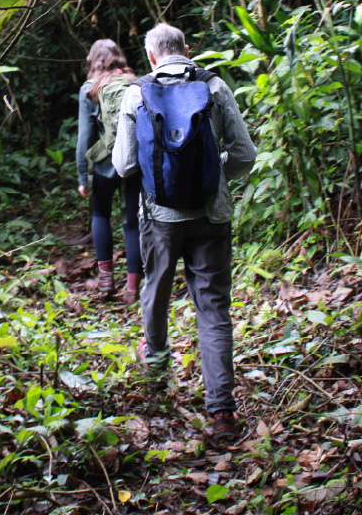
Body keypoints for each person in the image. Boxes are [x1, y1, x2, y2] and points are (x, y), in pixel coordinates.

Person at [112, 23, 257, 441]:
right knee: (213, 308)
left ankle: (156, 369)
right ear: (186, 49)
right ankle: (221, 413)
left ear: (152, 56)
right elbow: (245, 153)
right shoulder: (215, 87)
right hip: (212, 216)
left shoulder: (136, 93)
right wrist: (214, 180)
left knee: (155, 291)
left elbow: (123, 166)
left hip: (158, 216)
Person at [75, 39, 143, 303]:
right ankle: (133, 287)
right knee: (132, 221)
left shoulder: (89, 90)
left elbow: (85, 137)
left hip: (105, 164)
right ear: (119, 58)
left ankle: (105, 282)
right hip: (135, 163)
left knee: (101, 214)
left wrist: (82, 175)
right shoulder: (136, 84)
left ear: (93, 61)